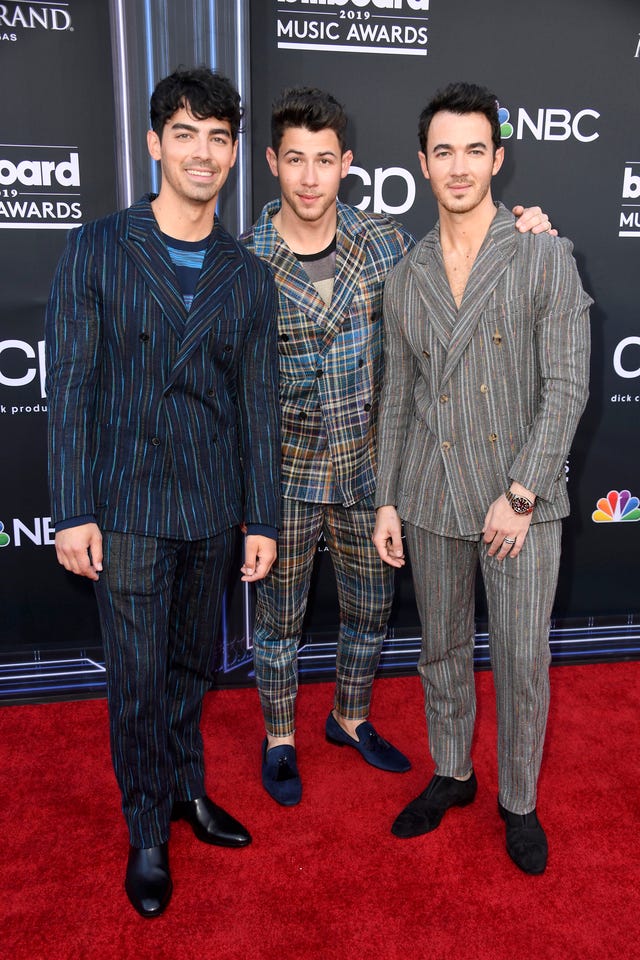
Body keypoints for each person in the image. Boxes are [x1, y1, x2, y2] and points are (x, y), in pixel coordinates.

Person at [241, 86, 554, 806]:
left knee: (370, 613)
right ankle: (280, 737)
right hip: (285, 477)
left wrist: (527, 226)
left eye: (325, 160)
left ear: (346, 163)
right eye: (296, 160)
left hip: (371, 472)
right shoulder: (246, 258)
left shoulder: (384, 244)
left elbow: (463, 258)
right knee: (278, 623)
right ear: (273, 164)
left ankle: (349, 718)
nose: (311, 177)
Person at [45, 67, 281, 917]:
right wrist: (73, 509)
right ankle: (146, 827)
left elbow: (257, 407)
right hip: (128, 508)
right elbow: (70, 386)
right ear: (154, 144)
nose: (202, 152)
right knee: (139, 677)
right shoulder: (99, 247)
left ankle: (187, 790)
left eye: (218, 137)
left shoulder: (248, 276)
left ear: (234, 153)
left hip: (211, 508)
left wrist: (262, 517)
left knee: (190, 667)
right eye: (185, 134)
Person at [373, 82, 591, 875]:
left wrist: (523, 493)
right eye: (444, 152)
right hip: (432, 495)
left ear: (498, 158)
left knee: (523, 659)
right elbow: (398, 395)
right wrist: (388, 498)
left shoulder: (542, 253)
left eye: (474, 150)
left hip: (519, 503)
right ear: (423, 164)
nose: (459, 166)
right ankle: (453, 772)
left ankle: (519, 800)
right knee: (441, 651)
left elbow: (567, 384)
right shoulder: (406, 275)